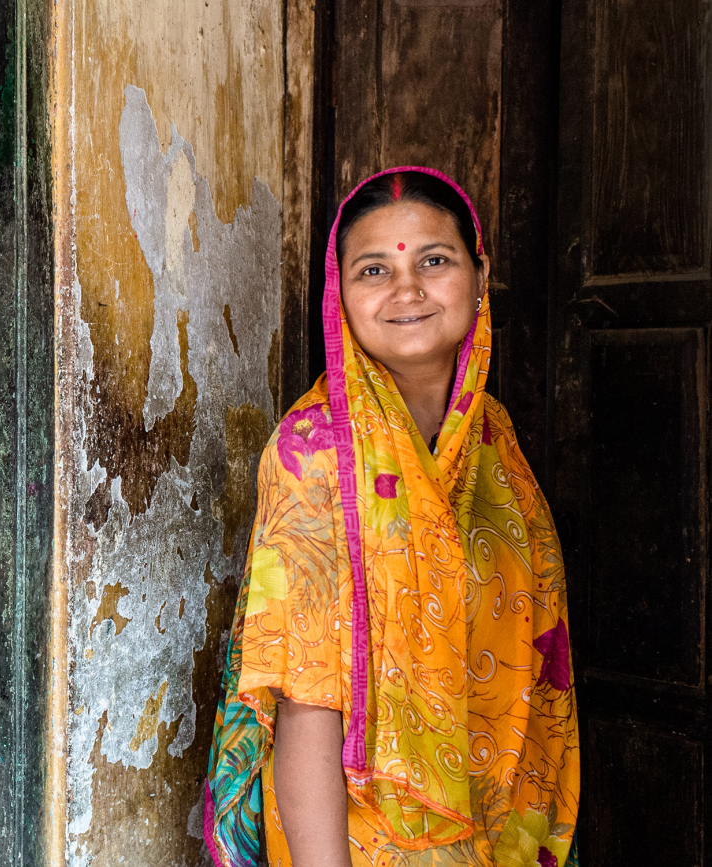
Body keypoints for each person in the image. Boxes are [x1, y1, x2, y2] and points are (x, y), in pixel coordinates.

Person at [205, 168, 579, 867]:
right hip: (356, 841)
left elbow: (535, 660)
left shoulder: (495, 444)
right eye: (373, 268)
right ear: (339, 294)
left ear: (479, 273)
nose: (406, 289)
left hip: (495, 835)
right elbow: (305, 707)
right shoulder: (314, 454)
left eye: (433, 260)